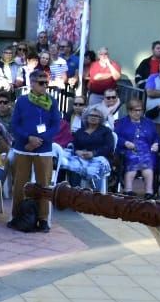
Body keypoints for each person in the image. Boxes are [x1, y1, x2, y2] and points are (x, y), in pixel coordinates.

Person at [10, 69, 61, 230]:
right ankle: (17, 216)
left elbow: (56, 125)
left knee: (44, 185)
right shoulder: (22, 101)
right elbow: (14, 124)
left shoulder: (52, 102)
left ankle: (43, 219)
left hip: (43, 148)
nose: (45, 86)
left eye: (46, 83)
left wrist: (39, 140)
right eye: (41, 83)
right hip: (23, 147)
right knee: (20, 184)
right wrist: (28, 138)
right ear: (32, 83)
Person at [62, 105, 116, 192]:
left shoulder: (106, 131)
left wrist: (93, 153)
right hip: (82, 158)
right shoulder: (80, 131)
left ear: (101, 119)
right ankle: (75, 192)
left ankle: (96, 193)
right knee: (73, 165)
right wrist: (77, 152)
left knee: (97, 166)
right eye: (91, 115)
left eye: (96, 116)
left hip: (99, 158)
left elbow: (109, 147)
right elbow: (74, 145)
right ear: (86, 117)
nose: (93, 117)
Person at [114, 97, 159, 197]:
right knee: (133, 160)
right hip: (129, 149)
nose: (138, 113)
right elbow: (116, 137)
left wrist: (156, 143)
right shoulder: (121, 123)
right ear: (129, 111)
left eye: (140, 110)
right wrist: (125, 142)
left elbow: (156, 136)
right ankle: (128, 190)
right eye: (135, 110)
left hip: (147, 150)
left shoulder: (149, 122)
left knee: (148, 162)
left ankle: (149, 192)